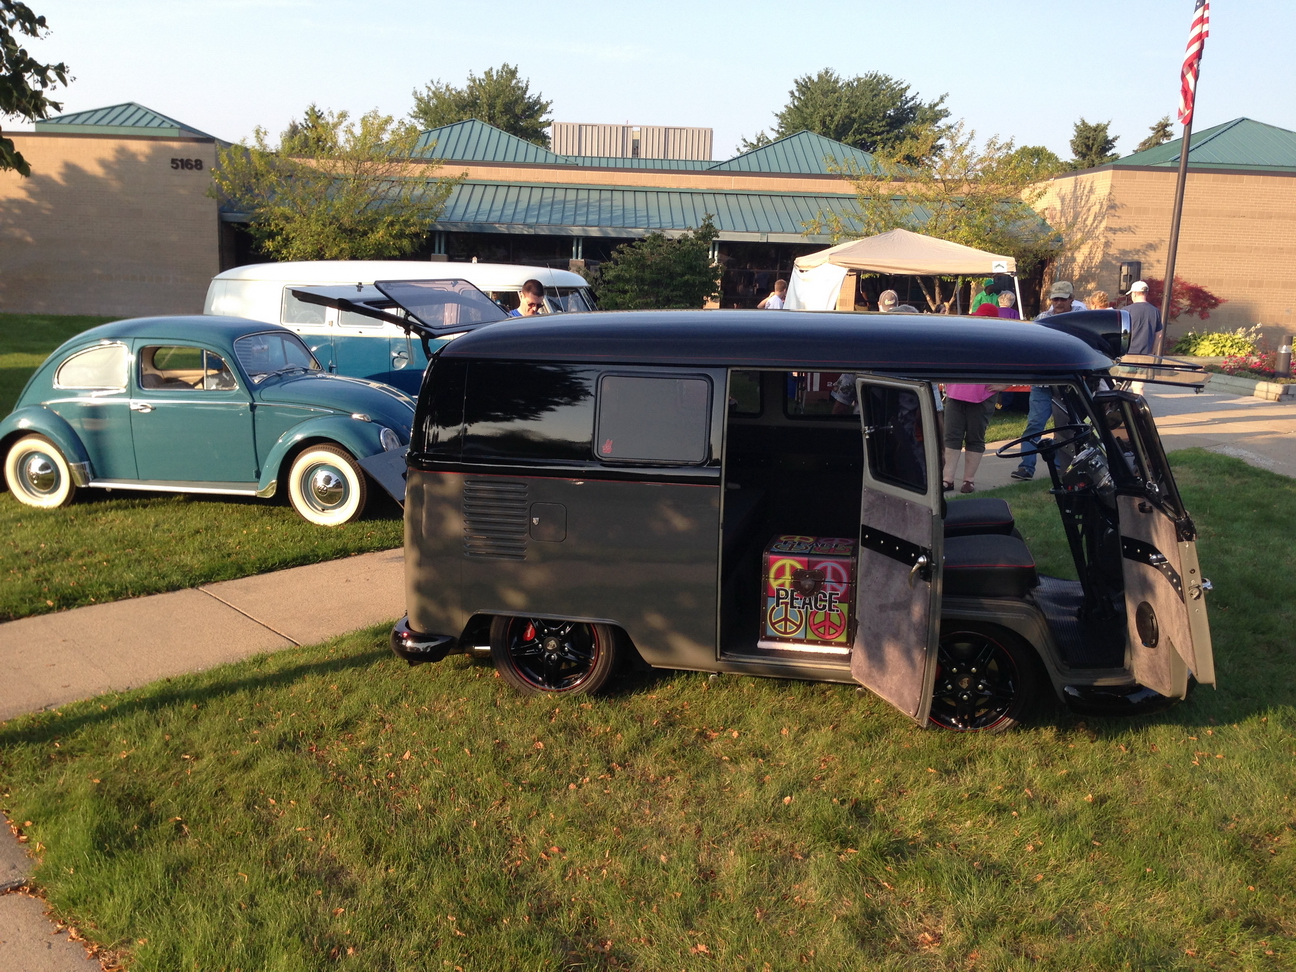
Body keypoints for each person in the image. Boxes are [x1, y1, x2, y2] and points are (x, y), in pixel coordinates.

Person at [1010, 281, 1084, 481]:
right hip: (1042, 383)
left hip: (1066, 384)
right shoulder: (1042, 319)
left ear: (1071, 299)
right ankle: (1026, 467)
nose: (1058, 303)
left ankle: (1062, 469)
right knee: (1034, 424)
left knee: (1065, 428)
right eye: (1055, 299)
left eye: (1063, 299)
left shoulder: (1079, 319)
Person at [942, 382, 1004, 493]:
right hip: (954, 392)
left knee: (975, 437)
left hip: (984, 395)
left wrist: (1005, 385)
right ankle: (948, 479)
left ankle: (968, 480)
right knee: (951, 437)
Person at [1125, 280, 1163, 355]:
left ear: (1134, 294)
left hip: (1128, 354)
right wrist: (1152, 352)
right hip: (1146, 354)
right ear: (1146, 293)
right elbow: (1159, 335)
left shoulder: (1126, 311)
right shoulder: (1155, 311)